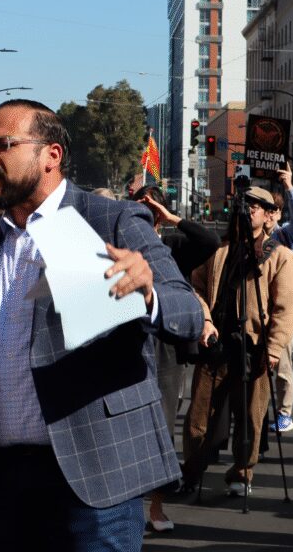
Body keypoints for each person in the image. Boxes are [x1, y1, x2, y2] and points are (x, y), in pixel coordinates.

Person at [0, 99, 203, 550]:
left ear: (51, 155)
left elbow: (187, 314)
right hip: (7, 480)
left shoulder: (112, 219)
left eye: (3, 144)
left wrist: (147, 293)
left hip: (97, 473)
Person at [183, 186, 293, 497]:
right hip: (216, 343)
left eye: (256, 206)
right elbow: (195, 286)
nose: (249, 210)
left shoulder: (278, 256)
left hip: (254, 347)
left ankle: (242, 474)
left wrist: (274, 349)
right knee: (199, 416)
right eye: (244, 205)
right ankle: (191, 472)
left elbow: (285, 307)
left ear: (267, 214)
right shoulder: (218, 250)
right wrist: (205, 319)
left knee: (250, 418)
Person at [132, 183, 220, 532]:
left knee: (162, 424)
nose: (142, 213)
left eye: (149, 208)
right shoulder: (118, 243)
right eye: (137, 206)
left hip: (165, 347)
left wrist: (172, 219)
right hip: (125, 341)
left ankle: (156, 507)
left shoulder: (171, 246)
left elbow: (209, 243)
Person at [265, 168, 293, 434]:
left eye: (273, 210)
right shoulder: (252, 237)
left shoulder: (286, 236)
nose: (268, 215)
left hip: (283, 307)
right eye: (263, 209)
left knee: (282, 363)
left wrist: (289, 187)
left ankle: (284, 414)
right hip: (259, 306)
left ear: (279, 214)